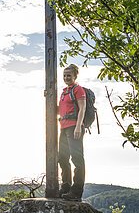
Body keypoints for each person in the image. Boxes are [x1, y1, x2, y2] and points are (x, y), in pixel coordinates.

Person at [58, 64, 86, 202]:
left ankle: (76, 191)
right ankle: (66, 187)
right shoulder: (64, 91)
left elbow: (82, 108)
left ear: (75, 76)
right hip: (63, 127)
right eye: (64, 75)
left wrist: (79, 127)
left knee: (77, 159)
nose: (66, 77)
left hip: (74, 127)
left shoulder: (78, 89)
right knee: (62, 158)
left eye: (69, 75)